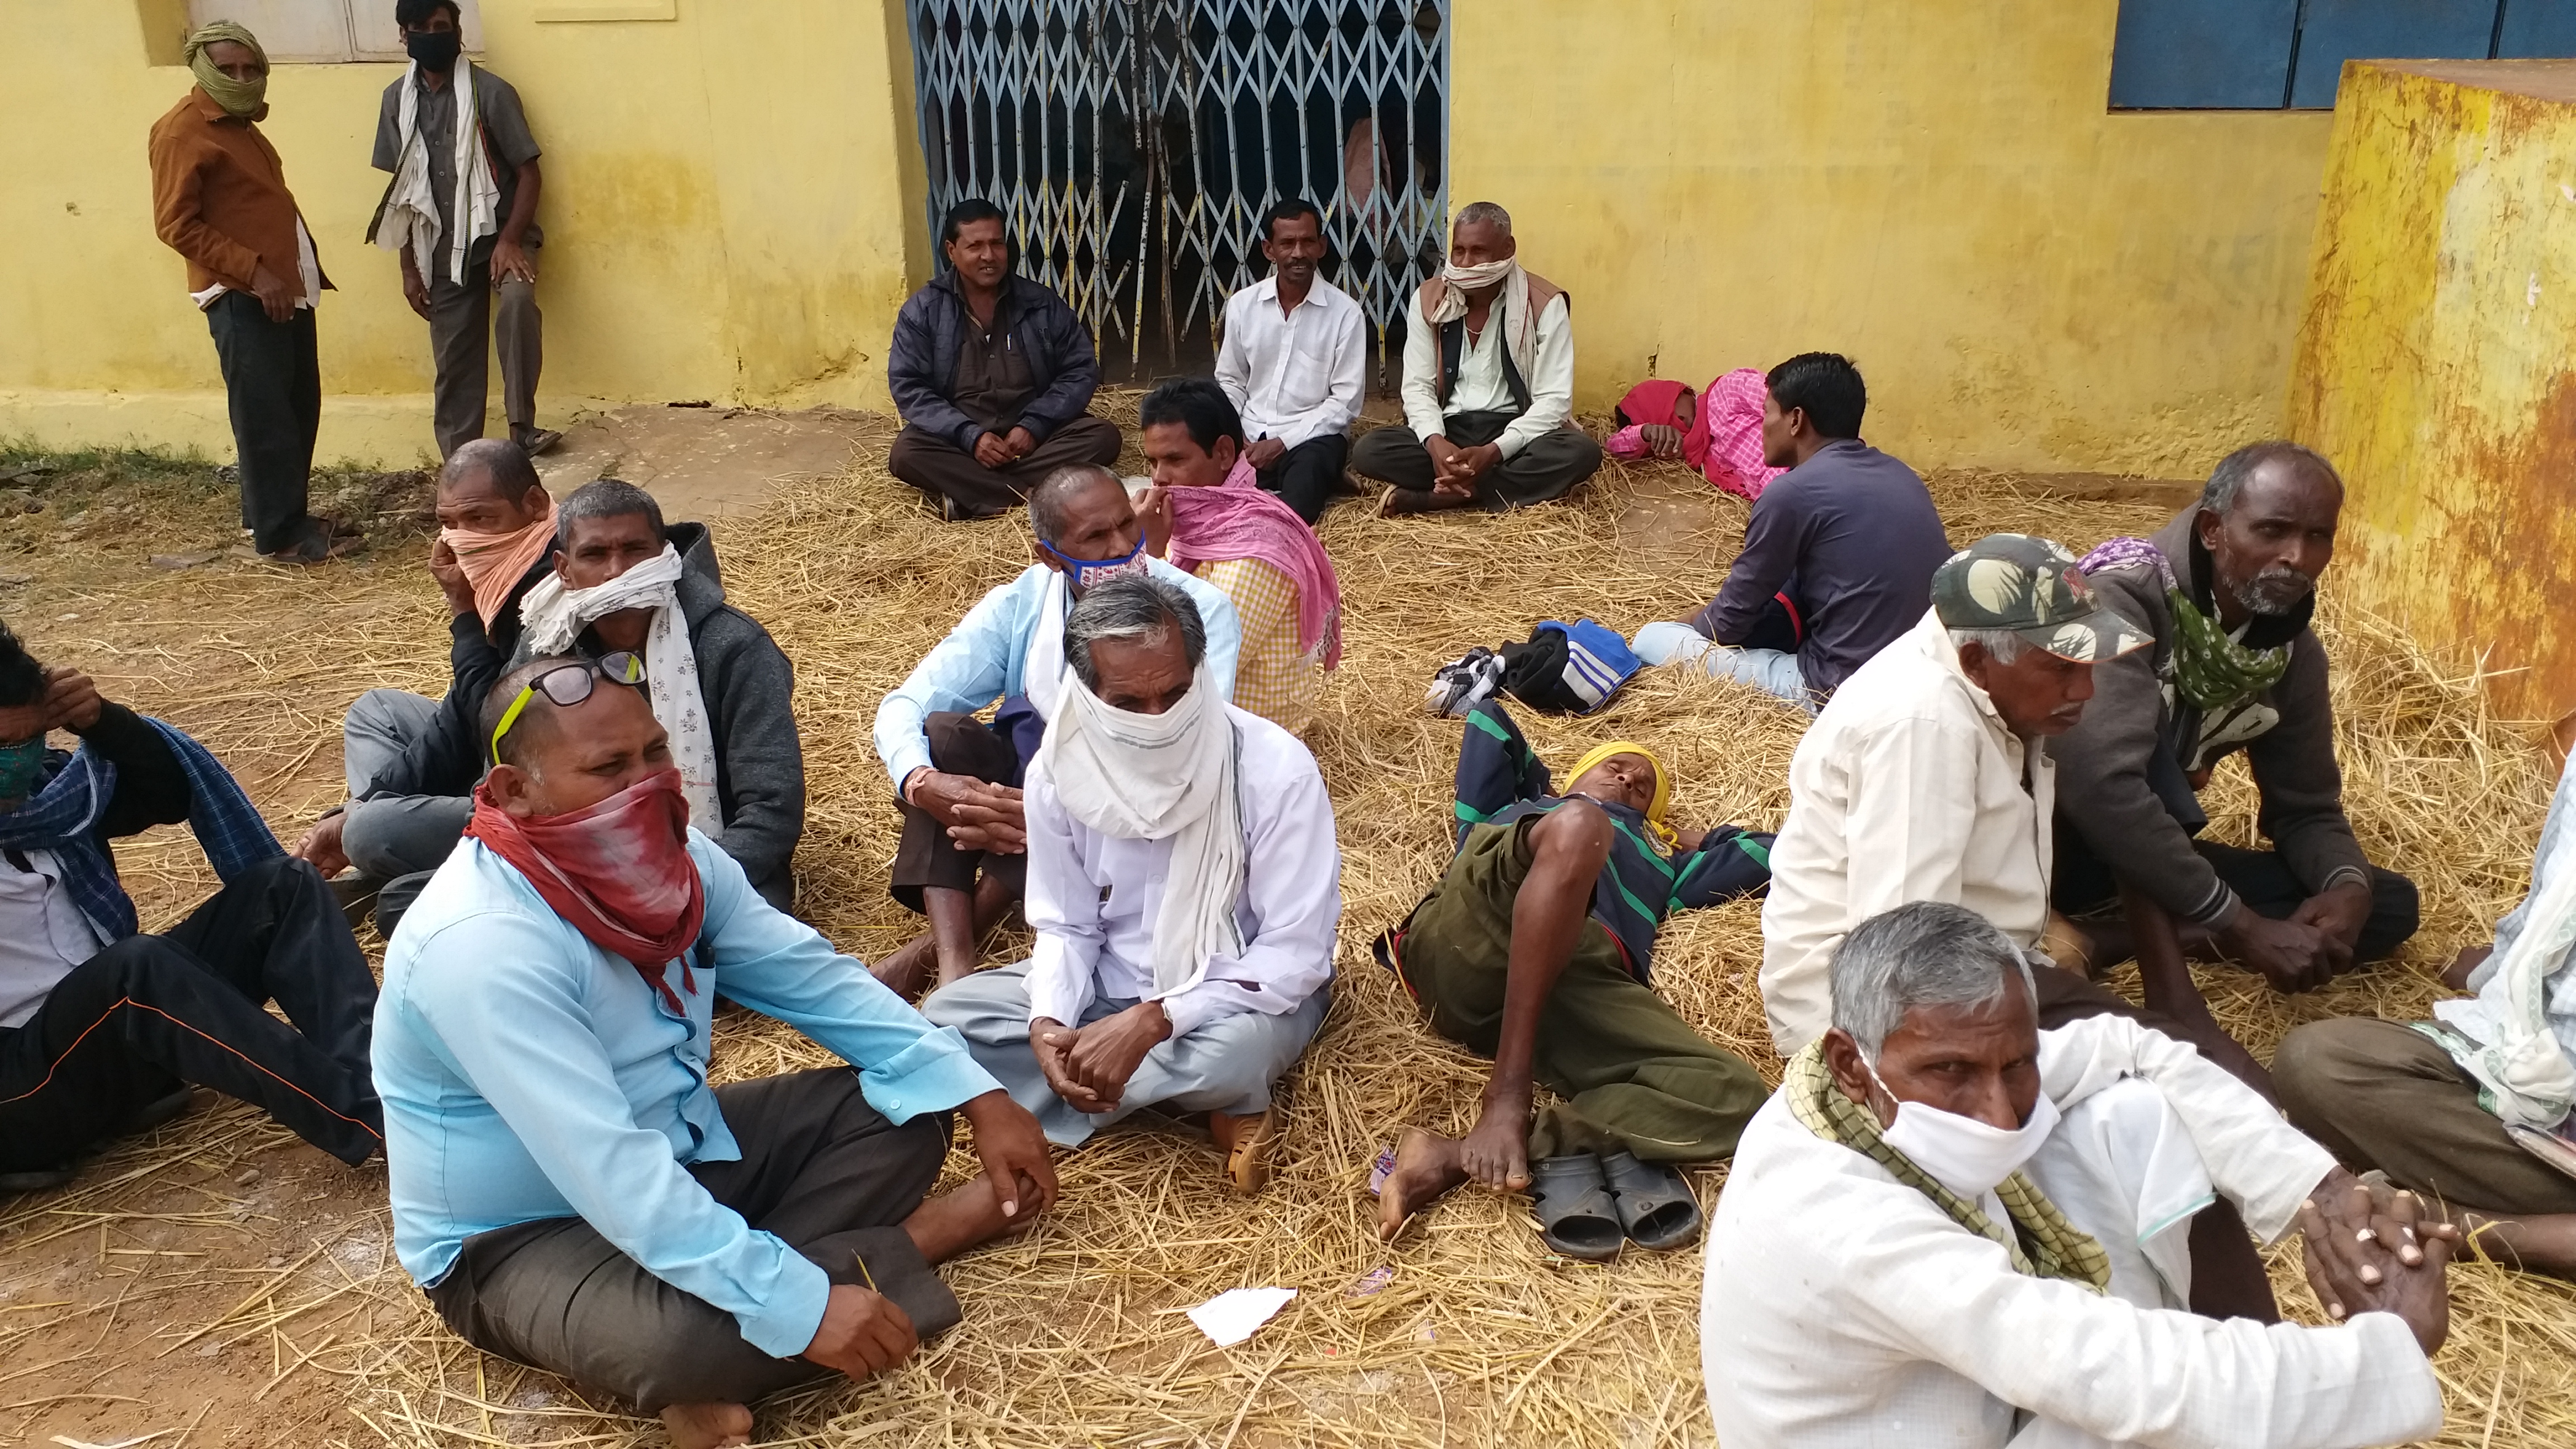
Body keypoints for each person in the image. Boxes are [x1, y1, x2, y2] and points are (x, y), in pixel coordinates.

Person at [376, 654, 1057, 1449]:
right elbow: (608, 1168)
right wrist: (798, 1307)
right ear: (513, 793)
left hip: (679, 1147)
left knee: (905, 1108)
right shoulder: (482, 944)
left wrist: (980, 1095)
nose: (647, 785)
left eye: (653, 754)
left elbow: (816, 981)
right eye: (607, 767)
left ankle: (750, 1303)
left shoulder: (679, 861)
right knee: (681, 1349)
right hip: (520, 1235)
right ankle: (918, 1242)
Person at [1704, 901, 2456, 1449]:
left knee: (2133, 1114)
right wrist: (2385, 1345)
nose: (1998, 1113)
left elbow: (2130, 1046)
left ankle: (2255, 1352)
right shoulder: (1838, 1220)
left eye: (2018, 1064)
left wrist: (2323, 1196)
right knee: (2146, 1415)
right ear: (1852, 1064)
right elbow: (2115, 1374)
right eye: (1951, 1074)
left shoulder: (1867, 1085)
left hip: (1967, 1402)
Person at [920, 578, 1337, 1195]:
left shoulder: (1274, 768)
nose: (1158, 721)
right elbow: (1067, 923)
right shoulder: (1060, 771)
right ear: (1087, 694)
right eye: (1129, 703)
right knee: (944, 1020)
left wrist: (1157, 1020)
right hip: (1108, 986)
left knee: (1233, 1055)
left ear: (1200, 671)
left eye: (1175, 693)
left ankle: (1169, 1089)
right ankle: (1200, 1105)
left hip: (1232, 995)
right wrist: (1049, 1021)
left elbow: (1295, 954)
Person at [1372, 699, 1775, 1259]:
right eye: (1615, 765)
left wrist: (1696, 837)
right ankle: (1507, 1095)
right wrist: (1555, 791)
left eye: (1642, 788)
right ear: (1578, 772)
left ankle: (1457, 1154)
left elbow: (1778, 854)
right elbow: (1489, 720)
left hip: (1574, 978)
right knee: (1582, 828)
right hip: (1475, 926)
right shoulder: (1525, 810)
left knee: (1737, 1096)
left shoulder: (1663, 863)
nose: (1630, 777)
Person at [303, 477, 802, 925]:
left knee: (400, 885)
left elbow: (771, 811)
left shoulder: (732, 647)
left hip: (701, 856)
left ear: (667, 556)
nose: (616, 572)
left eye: (635, 551)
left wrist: (685, 883)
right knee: (378, 837)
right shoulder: (546, 631)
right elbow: (500, 775)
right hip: (557, 838)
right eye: (595, 555)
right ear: (563, 568)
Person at [0, 625, 382, 1192]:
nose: (17, 764)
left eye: (25, 743)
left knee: (284, 886)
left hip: (109, 1036)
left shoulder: (53, 799)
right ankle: (375, 1125)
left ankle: (389, 1083)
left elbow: (164, 796)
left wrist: (103, 722)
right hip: (22, 1088)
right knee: (137, 969)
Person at [2052, 441, 2419, 995]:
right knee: (2139, 799)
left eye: (2317, 536)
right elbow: (2102, 788)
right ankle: (2140, 931)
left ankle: (2112, 937)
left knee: (2386, 905)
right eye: (2272, 531)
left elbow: (2306, 809)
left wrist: (2348, 888)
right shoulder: (2123, 599)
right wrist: (2241, 926)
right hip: (2050, 845)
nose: (2297, 556)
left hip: (2145, 850)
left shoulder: (2288, 654)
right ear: (2211, 530)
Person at [872, 467, 1241, 998]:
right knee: (941, 736)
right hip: (1030, 784)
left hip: (1129, 801)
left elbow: (1185, 756)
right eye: (1095, 537)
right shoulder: (1024, 602)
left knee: (1052, 785)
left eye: (1126, 526)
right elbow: (905, 704)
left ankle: (939, 949)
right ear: (1050, 556)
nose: (1122, 548)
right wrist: (923, 784)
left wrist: (1052, 813)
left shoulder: (1198, 610)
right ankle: (957, 966)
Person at [2274, 746, 2576, 1277]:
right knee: (2316, 1062)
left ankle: (2477, 1228)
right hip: (2531, 1063)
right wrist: (2501, 973)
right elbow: (2549, 901)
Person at [295, 439, 554, 925]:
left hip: (532, 790)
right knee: (377, 712)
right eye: (449, 523)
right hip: (487, 757)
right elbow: (459, 712)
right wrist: (367, 802)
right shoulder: (501, 573)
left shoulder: (552, 583)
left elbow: (498, 723)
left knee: (369, 830)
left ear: (536, 508)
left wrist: (464, 615)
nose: (461, 540)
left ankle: (388, 864)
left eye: (481, 519)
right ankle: (382, 857)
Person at [1629, 352, 1949, 713]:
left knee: (1652, 640)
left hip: (1841, 687)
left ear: (1796, 420)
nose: (1763, 426)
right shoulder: (1901, 474)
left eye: (1768, 413)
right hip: (1921, 675)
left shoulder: (1792, 493)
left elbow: (1728, 623)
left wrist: (1684, 622)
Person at [148, 21, 348, 566]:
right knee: (265, 416)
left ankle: (286, 514)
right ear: (202, 69)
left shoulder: (241, 127)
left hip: (285, 290)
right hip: (243, 295)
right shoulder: (181, 132)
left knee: (297, 407)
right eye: (228, 68)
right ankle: (280, 536)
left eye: (250, 67)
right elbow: (175, 225)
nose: (242, 77)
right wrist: (255, 274)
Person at [368, 0, 556, 459]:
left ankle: (522, 429)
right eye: (420, 28)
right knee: (453, 361)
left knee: (517, 303)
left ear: (457, 32)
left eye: (440, 26)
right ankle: (462, 461)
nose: (432, 35)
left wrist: (511, 240)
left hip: (500, 237)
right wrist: (409, 269)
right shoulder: (397, 100)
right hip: (439, 247)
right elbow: (402, 194)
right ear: (403, 36)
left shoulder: (491, 93)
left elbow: (528, 172)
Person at [1347, 202, 1602, 514]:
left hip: (1515, 433)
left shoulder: (1545, 304)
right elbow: (1417, 388)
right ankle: (1490, 487)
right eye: (1459, 251)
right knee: (1370, 452)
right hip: (1450, 428)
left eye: (1479, 251)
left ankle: (1450, 495)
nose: (1466, 263)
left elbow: (1554, 402)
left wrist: (1496, 451)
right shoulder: (1430, 300)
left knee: (1581, 452)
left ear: (1508, 249)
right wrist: (1435, 443)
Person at [888, 200, 1124, 520]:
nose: (989, 256)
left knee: (1103, 437)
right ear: (951, 250)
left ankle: (976, 496)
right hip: (962, 441)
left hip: (1033, 439)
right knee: (907, 454)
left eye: (997, 244)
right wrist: (970, 437)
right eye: (975, 246)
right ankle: (1030, 495)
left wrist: (1035, 425)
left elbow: (1080, 370)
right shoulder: (924, 311)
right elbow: (909, 386)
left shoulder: (1041, 304)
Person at [1135, 378, 1342, 733]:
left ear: (1225, 454)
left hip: (1245, 741)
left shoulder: (1256, 552)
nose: (1159, 479)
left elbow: (1188, 675)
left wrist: (1147, 558)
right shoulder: (1196, 526)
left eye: (1174, 460)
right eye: (1152, 462)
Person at [1213, 198, 1366, 523]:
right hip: (1250, 432)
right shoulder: (1243, 305)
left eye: (1308, 242)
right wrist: (1234, 430)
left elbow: (1344, 403)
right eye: (1287, 243)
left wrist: (1284, 443)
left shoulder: (1346, 314)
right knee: (1206, 484)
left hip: (1310, 437)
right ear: (1269, 250)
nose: (1299, 253)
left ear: (1322, 246)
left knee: (1300, 501)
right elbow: (1231, 380)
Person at [1602, 369, 1782, 501]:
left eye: (1667, 404)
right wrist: (1645, 432)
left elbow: (1789, 402)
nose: (1678, 420)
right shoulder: (1704, 452)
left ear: (1684, 391)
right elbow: (1613, 447)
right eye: (1667, 424)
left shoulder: (1728, 390)